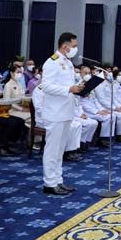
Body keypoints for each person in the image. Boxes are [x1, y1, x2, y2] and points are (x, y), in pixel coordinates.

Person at [40, 32, 84, 195]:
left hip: (66, 111)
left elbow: (68, 84)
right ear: (65, 46)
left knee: (60, 150)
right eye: (73, 46)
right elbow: (47, 86)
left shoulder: (68, 62)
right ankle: (49, 183)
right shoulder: (52, 62)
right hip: (55, 112)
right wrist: (68, 89)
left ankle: (58, 180)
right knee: (52, 150)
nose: (75, 49)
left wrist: (79, 87)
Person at [31, 83, 84, 162]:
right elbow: (39, 108)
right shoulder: (39, 89)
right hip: (44, 119)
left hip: (58, 116)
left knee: (76, 124)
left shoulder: (57, 87)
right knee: (69, 126)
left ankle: (71, 150)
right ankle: (66, 152)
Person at [94, 67, 121, 142]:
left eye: (110, 72)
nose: (109, 74)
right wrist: (114, 108)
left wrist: (119, 106)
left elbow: (114, 98)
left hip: (112, 106)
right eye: (106, 73)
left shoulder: (111, 83)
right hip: (105, 107)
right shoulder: (99, 85)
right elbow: (102, 100)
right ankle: (106, 138)